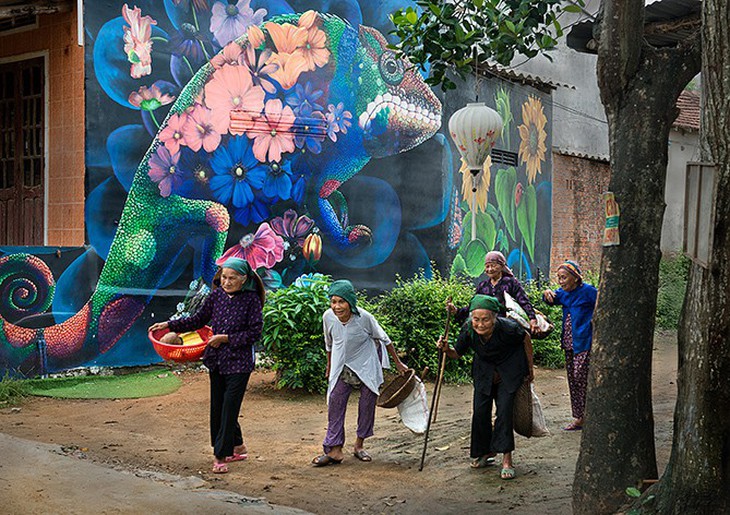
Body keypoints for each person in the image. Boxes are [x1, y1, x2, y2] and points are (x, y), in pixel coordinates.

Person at [149, 257, 265, 474]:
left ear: (244, 280)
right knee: (218, 407)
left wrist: (226, 338)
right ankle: (238, 447)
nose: (227, 282)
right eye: (224, 277)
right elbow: (197, 320)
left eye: (232, 278)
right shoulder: (216, 296)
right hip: (217, 361)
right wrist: (168, 324)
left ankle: (221, 455)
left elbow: (254, 333)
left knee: (229, 409)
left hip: (239, 364)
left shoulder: (251, 301)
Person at [312, 279, 408, 467]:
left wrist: (398, 364)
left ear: (350, 302)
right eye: (333, 302)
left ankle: (359, 446)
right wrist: (329, 365)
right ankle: (335, 450)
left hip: (366, 366)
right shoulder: (328, 317)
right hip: (342, 366)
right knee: (335, 403)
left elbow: (385, 339)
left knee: (366, 406)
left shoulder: (364, 318)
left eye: (341, 302)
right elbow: (329, 344)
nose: (337, 307)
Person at [437, 294, 534, 480]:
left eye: (485, 320)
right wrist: (445, 349)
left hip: (509, 370)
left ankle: (507, 459)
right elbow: (456, 353)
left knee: (504, 412)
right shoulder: (468, 330)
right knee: (480, 411)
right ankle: (485, 452)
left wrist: (529, 369)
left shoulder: (508, 328)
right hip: (484, 372)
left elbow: (526, 339)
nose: (480, 324)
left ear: (495, 318)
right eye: (476, 319)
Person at [542, 260, 597, 431]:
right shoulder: (563, 293)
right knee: (573, 380)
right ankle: (580, 418)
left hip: (584, 340)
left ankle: (591, 415)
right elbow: (551, 300)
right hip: (568, 342)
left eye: (564, 277)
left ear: (575, 278)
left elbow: (602, 303)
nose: (560, 281)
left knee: (580, 376)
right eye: (558, 278)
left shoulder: (588, 291)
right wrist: (546, 293)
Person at [448, 251, 539, 333]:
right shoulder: (483, 286)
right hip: (486, 326)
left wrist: (532, 318)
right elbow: (474, 306)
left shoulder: (511, 283)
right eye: (487, 266)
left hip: (507, 327)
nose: (490, 269)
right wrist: (456, 311)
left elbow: (523, 300)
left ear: (502, 266)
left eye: (493, 265)